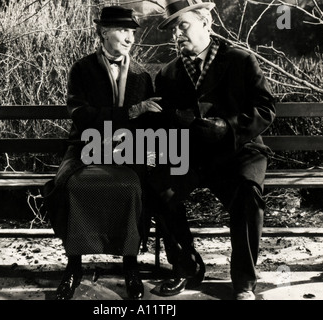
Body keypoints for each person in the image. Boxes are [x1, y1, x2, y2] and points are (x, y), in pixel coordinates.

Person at [151, 0, 276, 300]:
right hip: (192, 155)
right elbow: (165, 120)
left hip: (238, 152)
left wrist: (228, 127)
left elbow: (266, 109)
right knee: (160, 190)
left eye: (183, 26)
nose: (177, 35)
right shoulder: (168, 74)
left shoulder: (241, 60)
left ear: (206, 23)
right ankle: (187, 267)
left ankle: (244, 281)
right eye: (173, 30)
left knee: (248, 193)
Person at [43, 6, 162, 300]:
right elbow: (81, 115)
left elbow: (147, 125)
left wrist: (151, 154)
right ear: (104, 33)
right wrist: (131, 111)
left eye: (132, 32)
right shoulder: (81, 70)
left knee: (137, 186)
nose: (130, 38)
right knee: (72, 185)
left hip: (127, 151)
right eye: (123, 31)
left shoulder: (141, 75)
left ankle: (130, 264)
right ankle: (74, 265)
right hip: (86, 146)